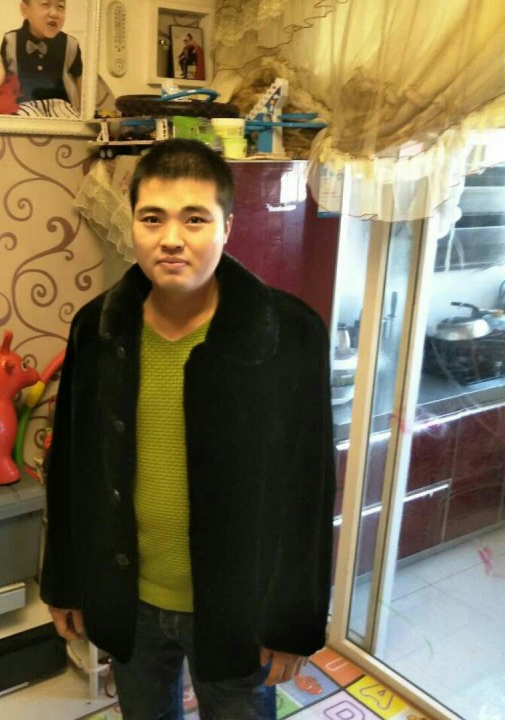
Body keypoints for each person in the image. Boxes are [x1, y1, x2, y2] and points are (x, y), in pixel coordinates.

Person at [40, 139, 336, 720]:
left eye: (194, 219)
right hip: (131, 599)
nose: (171, 238)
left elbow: (308, 492)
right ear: (132, 225)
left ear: (228, 227)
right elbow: (71, 466)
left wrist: (292, 622)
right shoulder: (98, 329)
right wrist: (65, 582)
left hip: (239, 609)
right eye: (152, 218)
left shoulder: (287, 334)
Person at [0, 0, 83, 112]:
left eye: (60, 6)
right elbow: (1, 82)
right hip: (21, 114)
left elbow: (80, 84)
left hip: (62, 114)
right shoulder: (11, 41)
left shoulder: (71, 45)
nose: (54, 14)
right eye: (45, 4)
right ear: (25, 10)